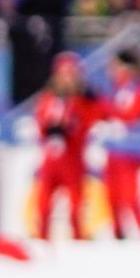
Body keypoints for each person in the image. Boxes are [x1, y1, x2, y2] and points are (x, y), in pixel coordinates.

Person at [32, 52, 102, 241]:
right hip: (51, 160)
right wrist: (50, 131)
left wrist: (71, 128)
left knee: (76, 205)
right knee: (43, 204)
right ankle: (42, 240)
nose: (67, 78)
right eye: (64, 73)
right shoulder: (48, 98)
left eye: (71, 74)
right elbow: (40, 123)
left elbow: (92, 120)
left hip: (73, 159)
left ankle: (79, 240)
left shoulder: (83, 100)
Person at [104, 49, 140, 240]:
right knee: (112, 196)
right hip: (115, 149)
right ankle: (118, 234)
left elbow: (134, 112)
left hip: (131, 151)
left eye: (114, 65)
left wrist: (115, 118)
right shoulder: (119, 87)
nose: (110, 70)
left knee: (130, 197)